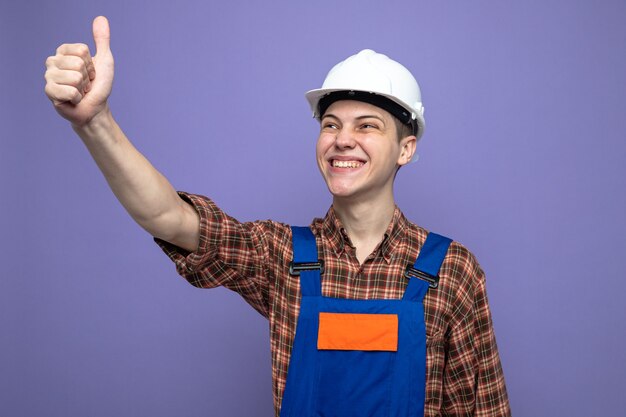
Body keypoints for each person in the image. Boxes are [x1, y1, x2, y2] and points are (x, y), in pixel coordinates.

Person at [44, 16, 511, 417]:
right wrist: (95, 121)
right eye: (331, 124)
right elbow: (169, 217)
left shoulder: (452, 271)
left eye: (367, 126)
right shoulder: (282, 255)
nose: (342, 139)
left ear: (406, 149)